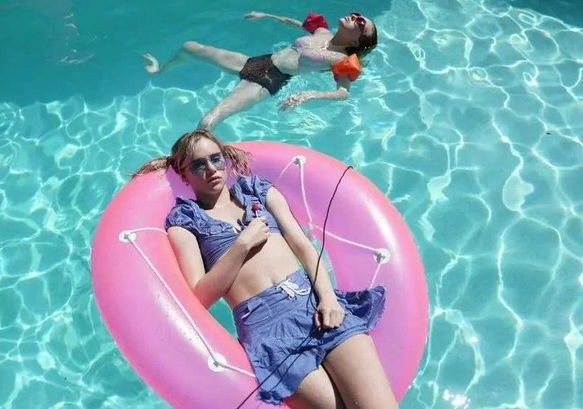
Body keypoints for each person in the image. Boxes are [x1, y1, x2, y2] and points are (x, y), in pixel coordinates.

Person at [132, 128, 398, 409]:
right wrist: (242, 245)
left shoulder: (256, 191)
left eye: (215, 158)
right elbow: (200, 295)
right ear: (184, 175)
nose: (211, 169)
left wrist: (328, 298)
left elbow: (303, 246)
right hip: (268, 331)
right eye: (198, 165)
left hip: (314, 303)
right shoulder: (186, 222)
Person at [141, 11, 378, 130]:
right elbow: (295, 24)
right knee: (190, 47)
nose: (355, 17)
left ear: (357, 41)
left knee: (207, 122)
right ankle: (159, 70)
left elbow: (343, 92)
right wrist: (267, 15)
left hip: (268, 79)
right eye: (358, 15)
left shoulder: (341, 59)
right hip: (258, 62)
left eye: (360, 23)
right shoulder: (322, 32)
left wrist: (310, 95)